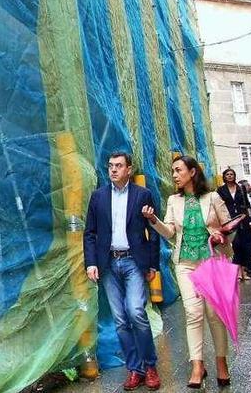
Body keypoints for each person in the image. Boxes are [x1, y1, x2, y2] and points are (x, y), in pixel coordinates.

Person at [142, 156, 232, 389]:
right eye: (173, 171)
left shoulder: (212, 197)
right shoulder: (173, 200)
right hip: (185, 264)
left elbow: (229, 228)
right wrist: (153, 220)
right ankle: (197, 365)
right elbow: (170, 232)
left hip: (211, 262)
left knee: (214, 315)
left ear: (192, 172)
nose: (174, 175)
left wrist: (221, 236)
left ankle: (221, 362)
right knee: (193, 313)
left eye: (178, 170)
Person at [84, 152, 161, 391]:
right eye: (110, 166)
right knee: (120, 320)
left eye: (119, 166)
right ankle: (134, 369)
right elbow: (90, 233)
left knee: (136, 311)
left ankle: (150, 366)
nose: (114, 170)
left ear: (129, 169)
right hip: (108, 264)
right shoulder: (98, 197)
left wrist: (153, 265)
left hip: (133, 262)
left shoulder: (142, 195)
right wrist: (91, 262)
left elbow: (154, 230)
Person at [216, 168, 251, 280]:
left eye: (231, 174)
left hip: (243, 219)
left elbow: (246, 204)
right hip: (229, 221)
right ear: (224, 177)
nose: (229, 176)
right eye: (227, 174)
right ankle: (237, 272)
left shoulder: (241, 188)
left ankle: (244, 271)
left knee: (245, 245)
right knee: (236, 245)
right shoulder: (220, 190)